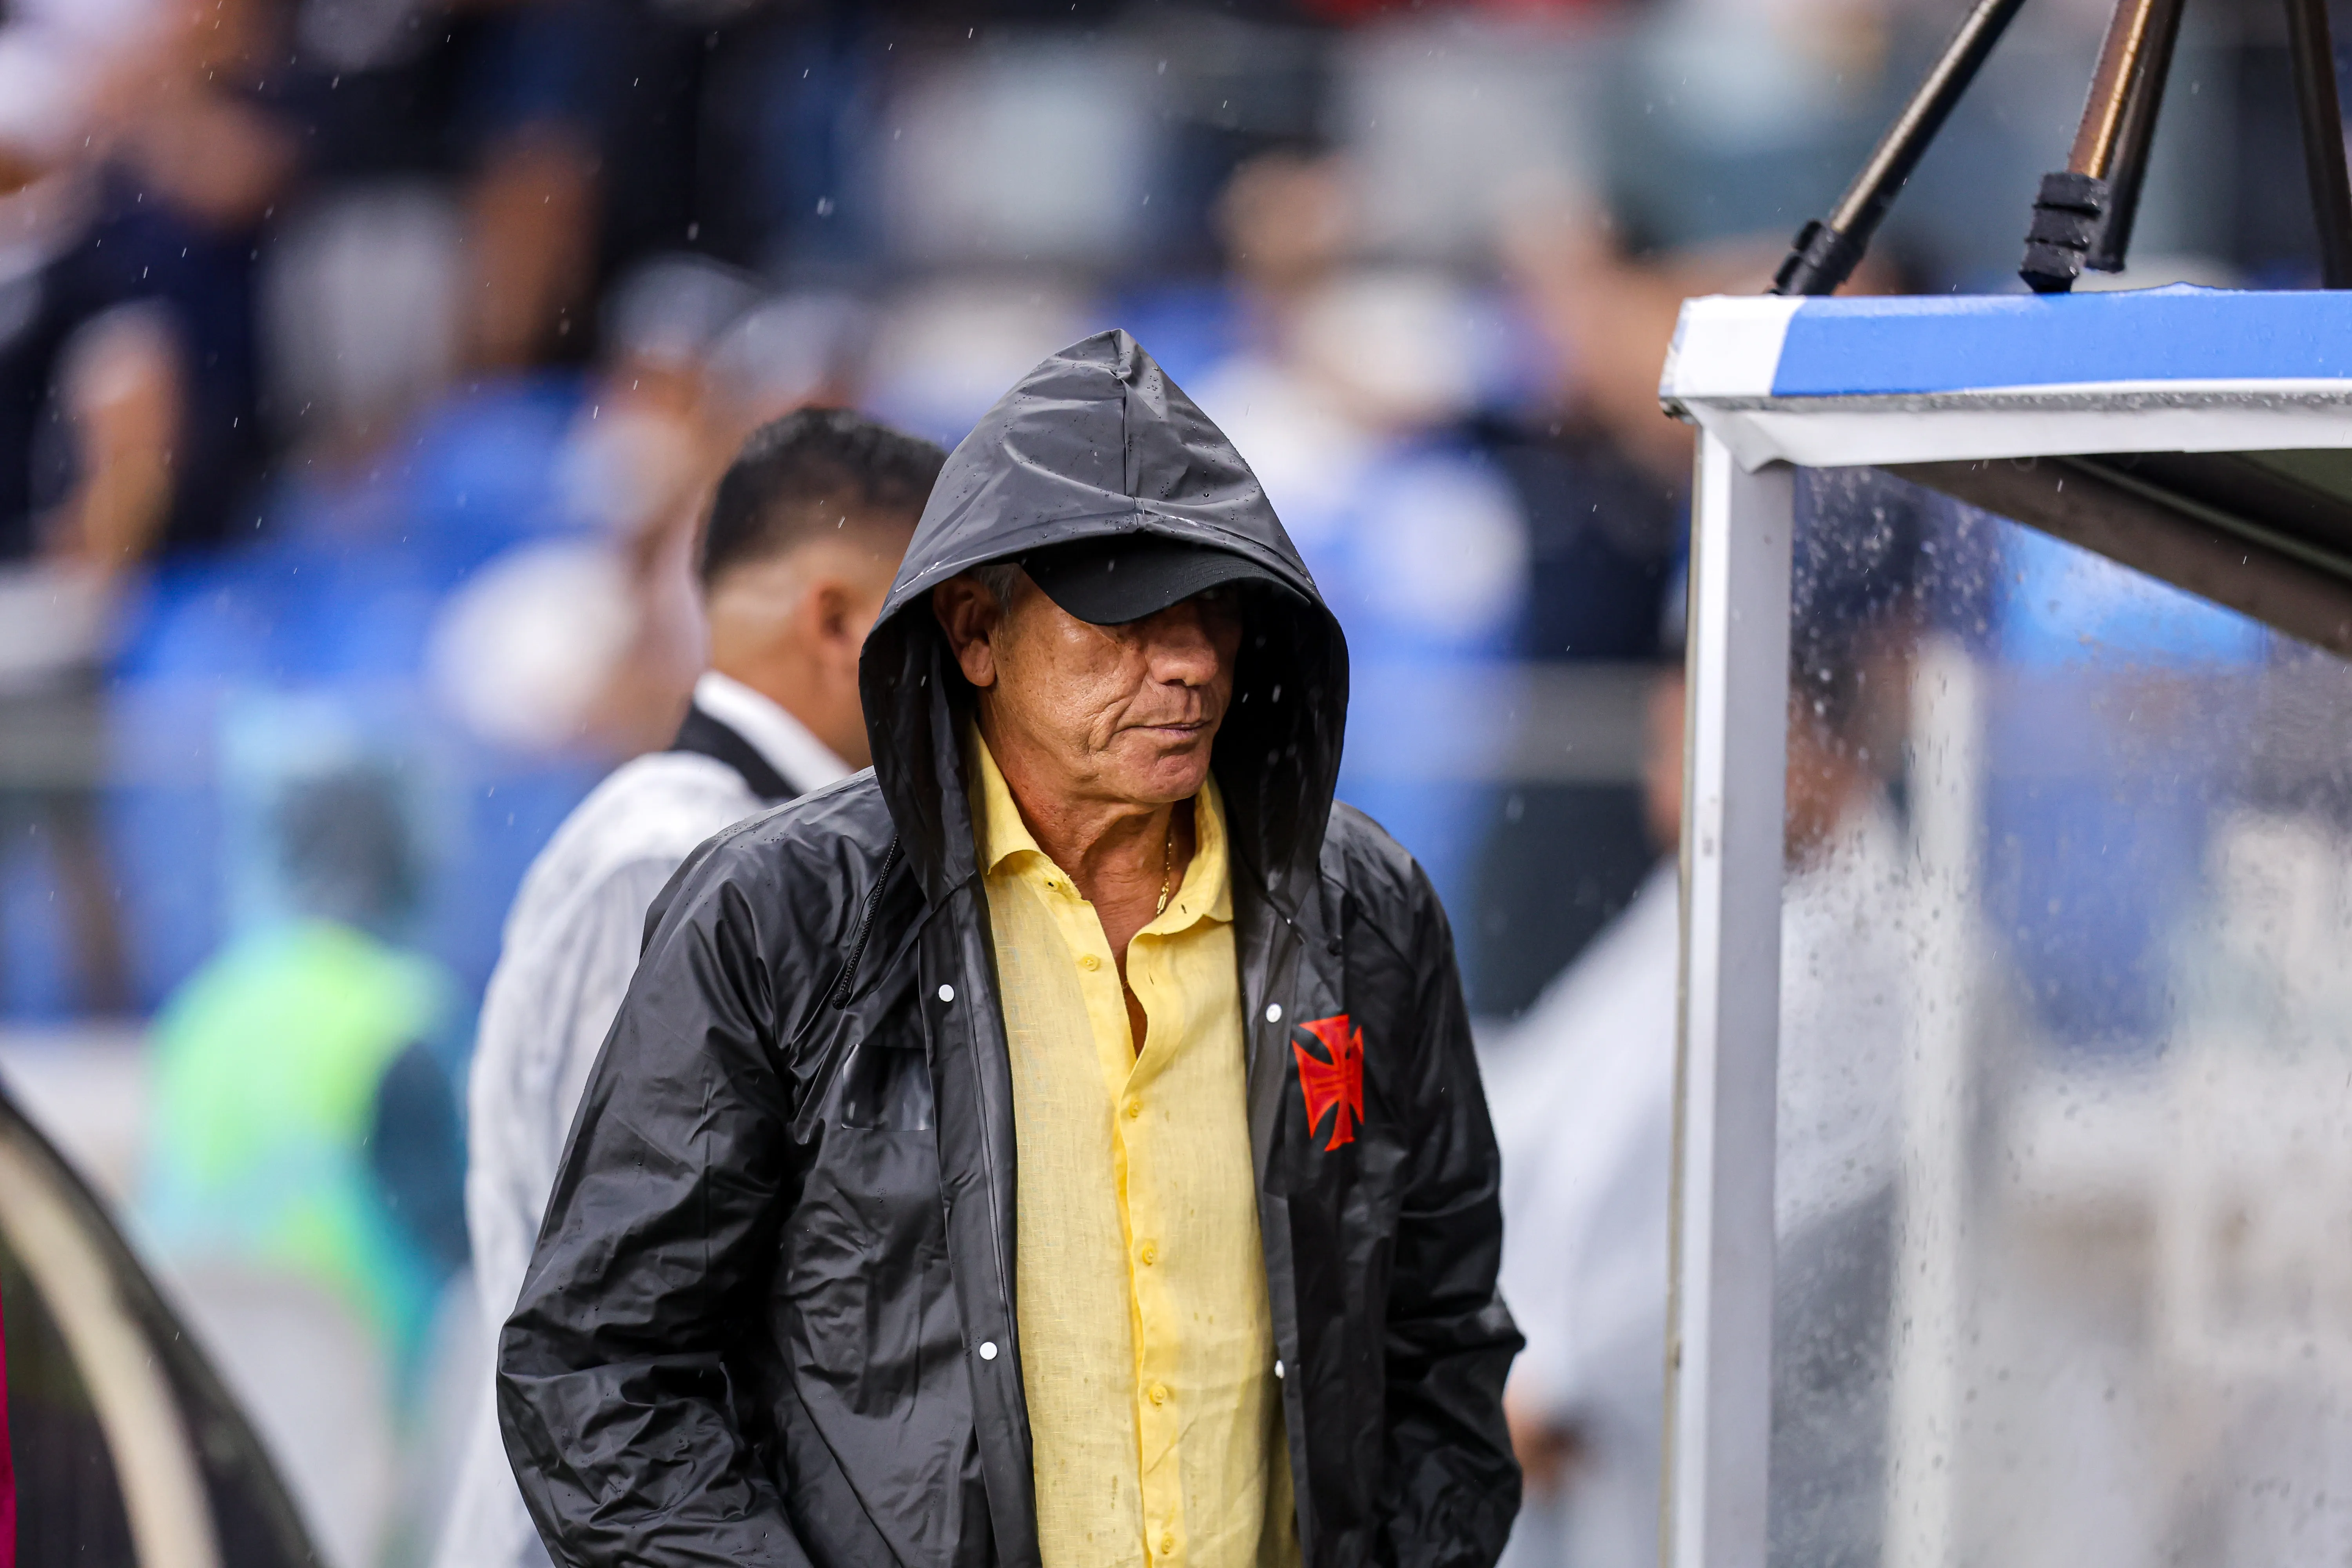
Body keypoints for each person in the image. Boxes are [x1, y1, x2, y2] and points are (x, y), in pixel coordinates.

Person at [495, 330, 1522, 1567]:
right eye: (1129, 617)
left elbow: (1441, 1339)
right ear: (975, 631)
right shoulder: (777, 915)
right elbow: (599, 1369)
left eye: (1216, 609)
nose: (1191, 662)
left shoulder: (1364, 907)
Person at [438, 407, 944, 1568]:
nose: (980, 670)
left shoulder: (776, 858)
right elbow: (616, 1344)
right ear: (838, 619)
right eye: (954, 620)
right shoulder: (664, 863)